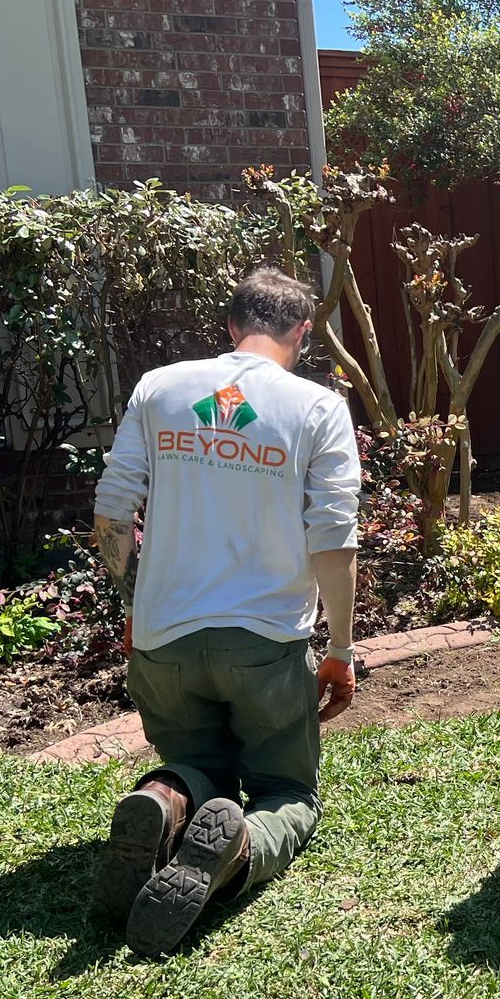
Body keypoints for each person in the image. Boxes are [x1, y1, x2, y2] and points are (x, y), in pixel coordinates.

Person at [90, 265, 362, 958]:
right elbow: (333, 539)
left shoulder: (160, 388)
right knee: (287, 791)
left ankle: (166, 797)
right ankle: (239, 844)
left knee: (192, 758)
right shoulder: (316, 407)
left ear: (231, 325)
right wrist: (341, 649)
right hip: (265, 644)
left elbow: (113, 510)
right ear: (301, 332)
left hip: (165, 638)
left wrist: (134, 601)